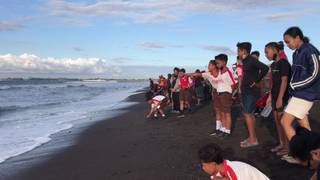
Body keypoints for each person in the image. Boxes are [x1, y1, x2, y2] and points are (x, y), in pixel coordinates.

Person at [281, 26, 320, 141]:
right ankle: (311, 153)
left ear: (297, 38)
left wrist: (295, 85)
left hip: (306, 94)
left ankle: (299, 153)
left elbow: (315, 73)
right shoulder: (296, 53)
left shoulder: (309, 50)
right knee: (304, 127)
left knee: (285, 122)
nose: (287, 45)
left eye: (288, 42)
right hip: (298, 93)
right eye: (285, 43)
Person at [237, 42, 269, 148]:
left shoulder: (251, 59)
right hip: (246, 91)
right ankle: (252, 137)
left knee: (247, 114)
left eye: (239, 50)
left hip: (251, 92)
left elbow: (265, 68)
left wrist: (256, 80)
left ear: (244, 51)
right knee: (249, 114)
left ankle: (253, 140)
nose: (238, 52)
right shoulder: (246, 61)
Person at [265, 42, 291, 157]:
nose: (266, 55)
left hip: (283, 96)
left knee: (283, 122)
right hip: (275, 95)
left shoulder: (283, 63)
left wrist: (280, 98)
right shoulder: (273, 65)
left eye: (267, 52)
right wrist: (270, 96)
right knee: (277, 122)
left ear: (275, 50)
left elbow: (284, 81)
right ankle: (282, 144)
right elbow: (273, 83)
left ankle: (288, 147)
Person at [198, 143, 270, 180]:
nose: (203, 168)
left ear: (213, 164)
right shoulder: (219, 172)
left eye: (203, 165)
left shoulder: (236, 172)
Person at [190, 60, 220, 135]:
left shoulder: (221, 73)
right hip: (216, 92)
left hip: (223, 92)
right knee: (217, 111)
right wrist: (185, 74)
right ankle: (218, 128)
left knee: (224, 112)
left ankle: (225, 129)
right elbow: (197, 74)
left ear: (213, 66)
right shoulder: (208, 74)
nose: (208, 66)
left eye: (209, 65)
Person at [215, 54, 235, 138]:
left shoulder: (227, 72)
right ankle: (223, 129)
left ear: (224, 62)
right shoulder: (220, 72)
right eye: (216, 63)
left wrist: (231, 95)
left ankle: (227, 131)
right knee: (222, 113)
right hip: (220, 94)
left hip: (225, 95)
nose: (217, 65)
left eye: (218, 63)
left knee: (227, 114)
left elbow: (233, 84)